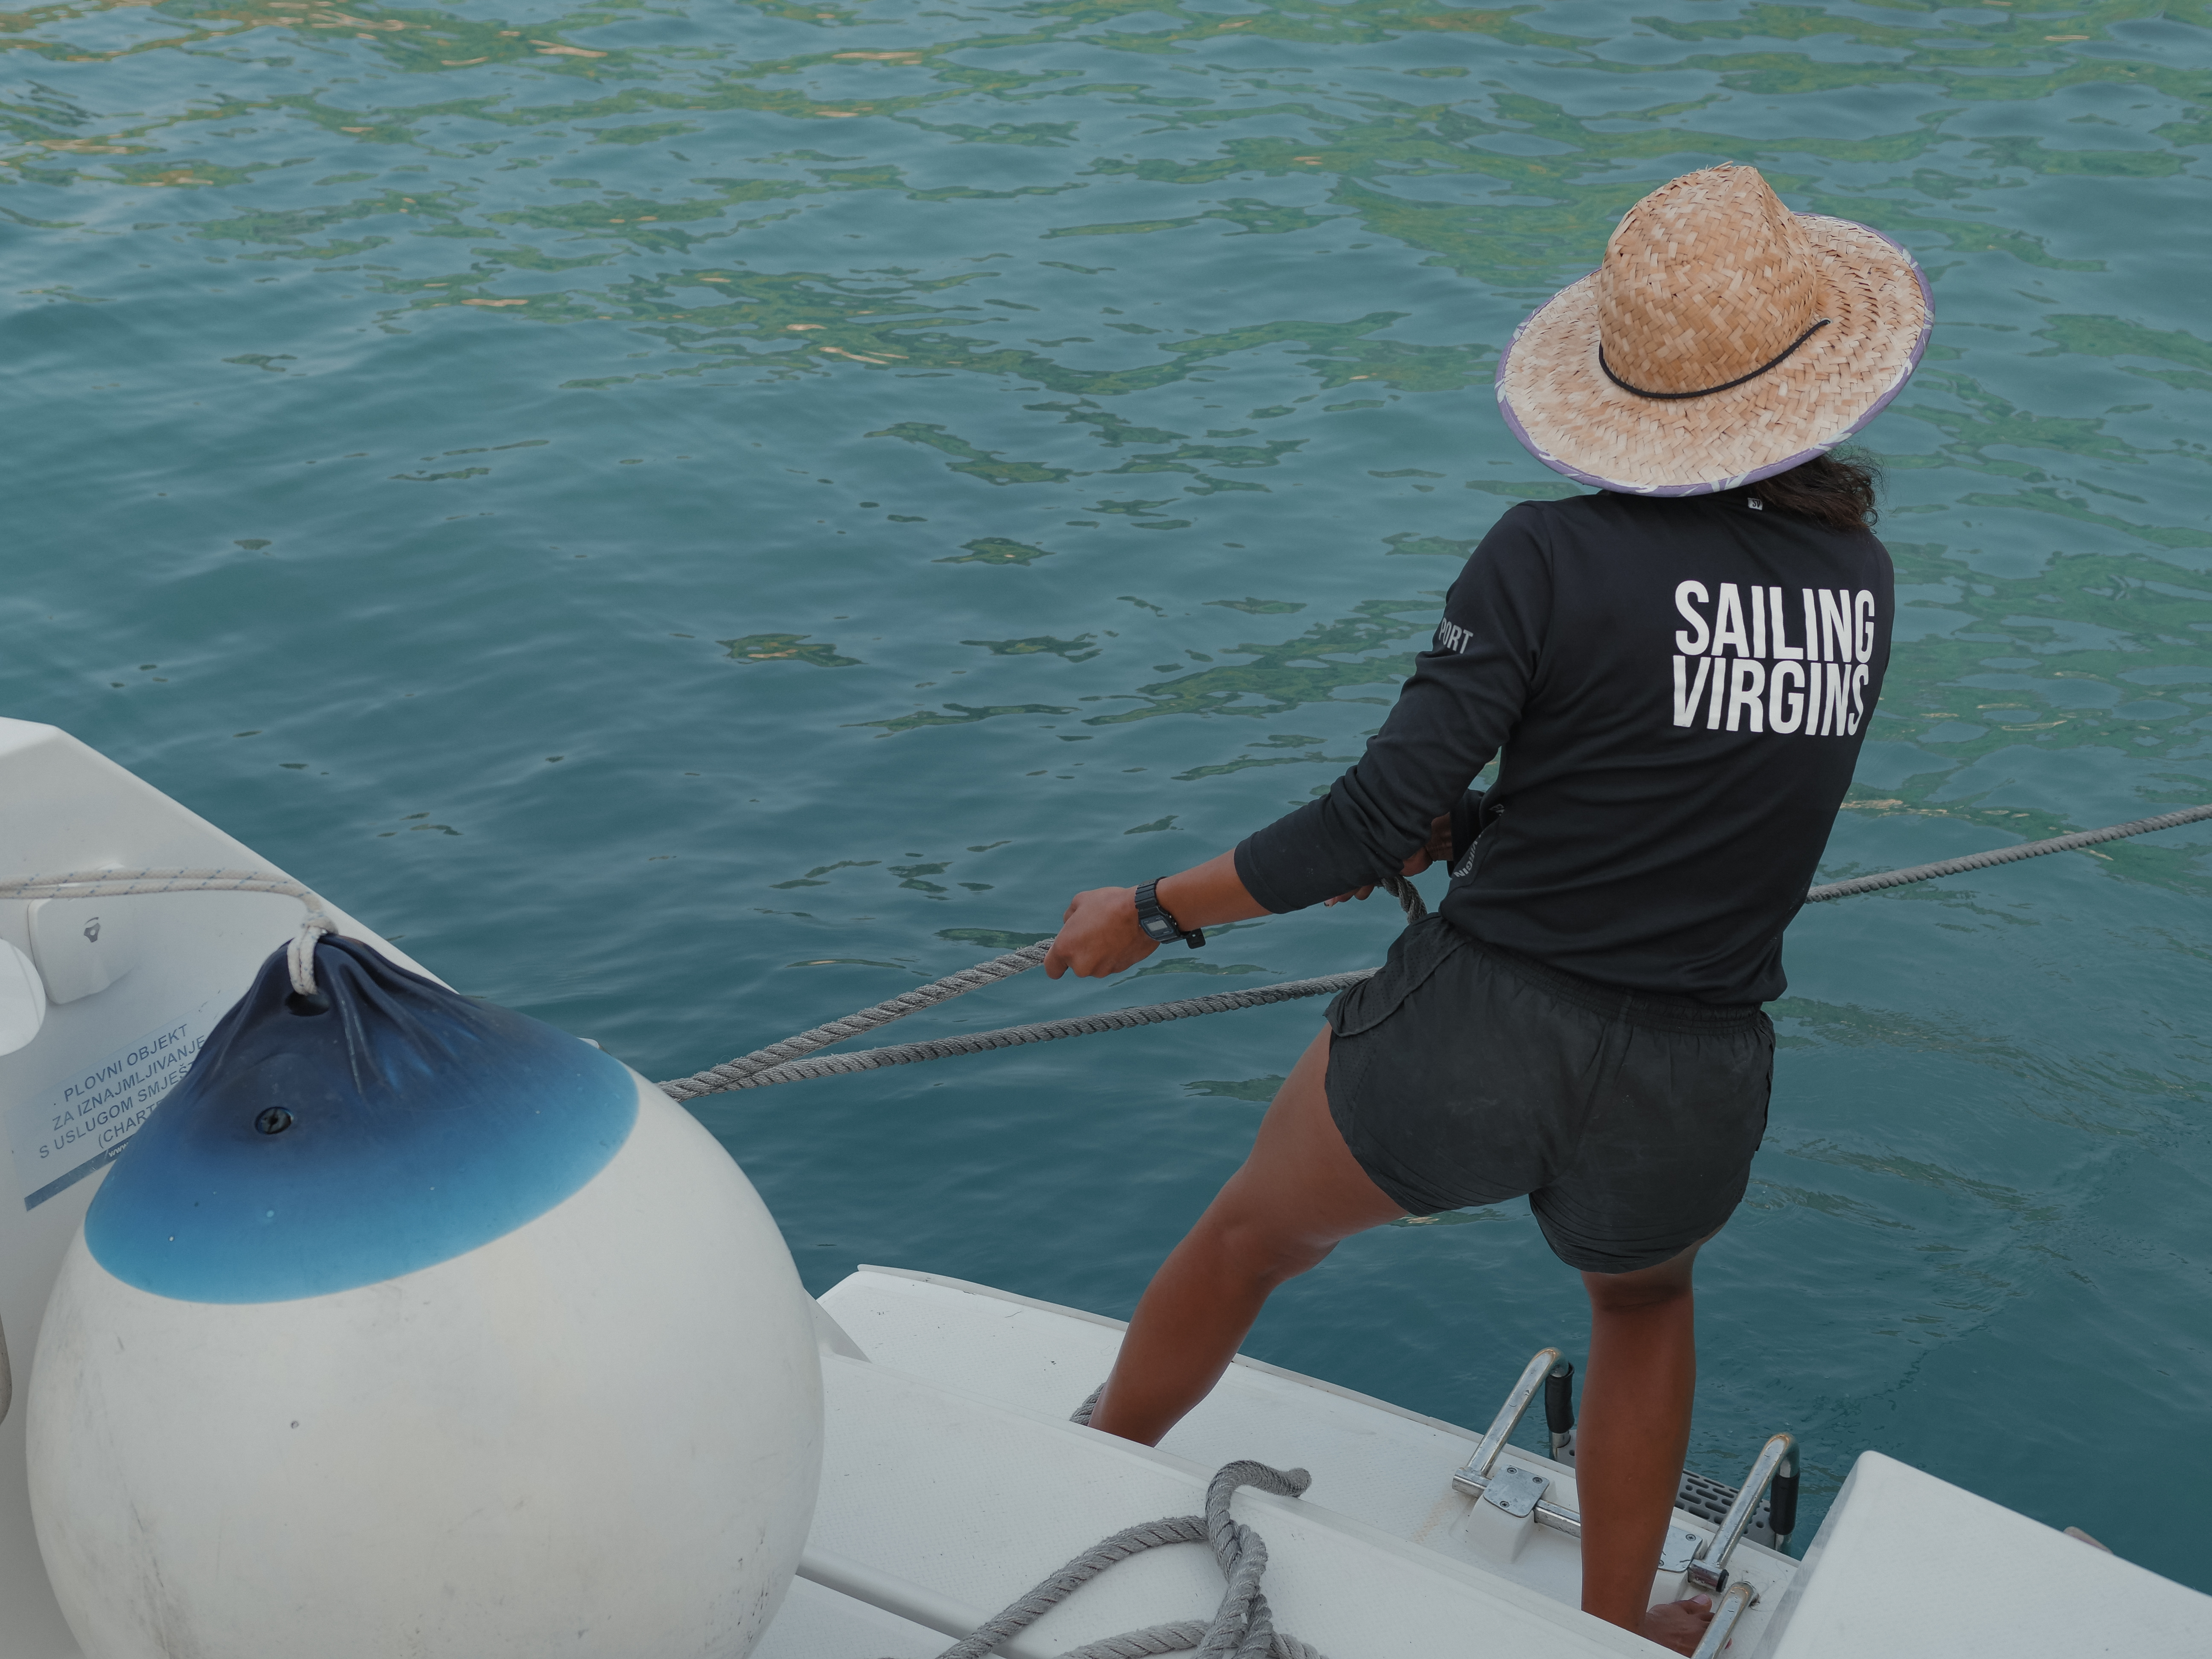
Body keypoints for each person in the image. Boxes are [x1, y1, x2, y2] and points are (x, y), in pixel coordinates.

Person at [1043, 163, 1927, 1655]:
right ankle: (1614, 1626)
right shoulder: (1862, 580)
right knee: (1643, 1307)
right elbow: (1694, 784)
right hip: (1696, 1066)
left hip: (1481, 1028)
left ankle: (1086, 1462)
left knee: (1252, 1237)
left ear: (1625, 387)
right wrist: (1518, 816)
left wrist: (1152, 908)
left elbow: (1373, 822)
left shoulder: (1545, 553)